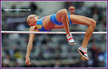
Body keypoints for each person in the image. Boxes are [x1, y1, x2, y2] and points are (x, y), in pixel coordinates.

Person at [25, 6, 96, 65]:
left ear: (36, 17)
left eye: (32, 17)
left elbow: (61, 26)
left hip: (61, 18)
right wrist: (27, 56)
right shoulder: (33, 27)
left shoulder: (42, 19)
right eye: (29, 19)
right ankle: (68, 35)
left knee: (92, 22)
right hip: (54, 19)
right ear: (30, 24)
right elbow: (30, 42)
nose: (31, 18)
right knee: (63, 11)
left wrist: (70, 16)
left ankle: (83, 47)